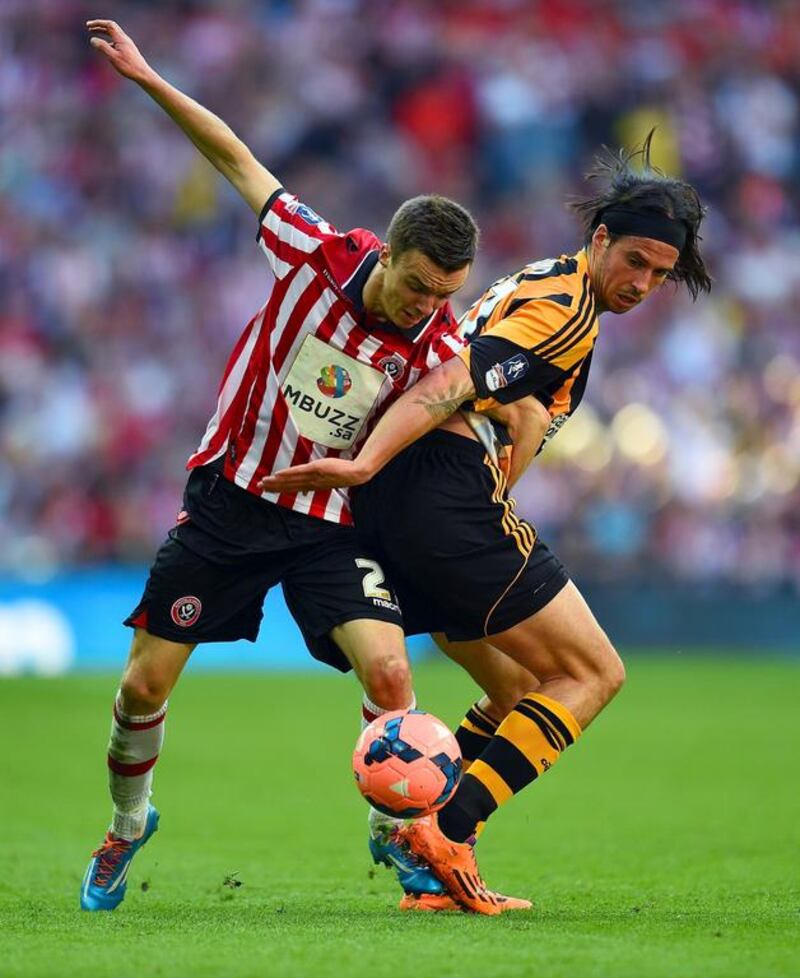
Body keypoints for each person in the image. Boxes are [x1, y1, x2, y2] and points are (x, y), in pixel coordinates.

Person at [79, 18, 484, 913]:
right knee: (143, 684)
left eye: (444, 295)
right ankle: (128, 821)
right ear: (389, 251)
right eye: (417, 284)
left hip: (330, 527)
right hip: (230, 505)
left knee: (390, 677)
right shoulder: (313, 251)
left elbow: (473, 405)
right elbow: (232, 154)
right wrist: (147, 77)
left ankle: (399, 837)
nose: (426, 306)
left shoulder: (442, 342)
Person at [261, 134, 713, 915]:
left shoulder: (544, 282)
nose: (642, 283)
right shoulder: (564, 311)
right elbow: (456, 381)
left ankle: (424, 848)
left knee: (514, 693)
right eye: (635, 260)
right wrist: (375, 465)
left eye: (660, 274)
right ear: (599, 238)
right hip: (445, 495)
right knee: (593, 673)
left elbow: (509, 396)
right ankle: (450, 833)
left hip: (412, 504)